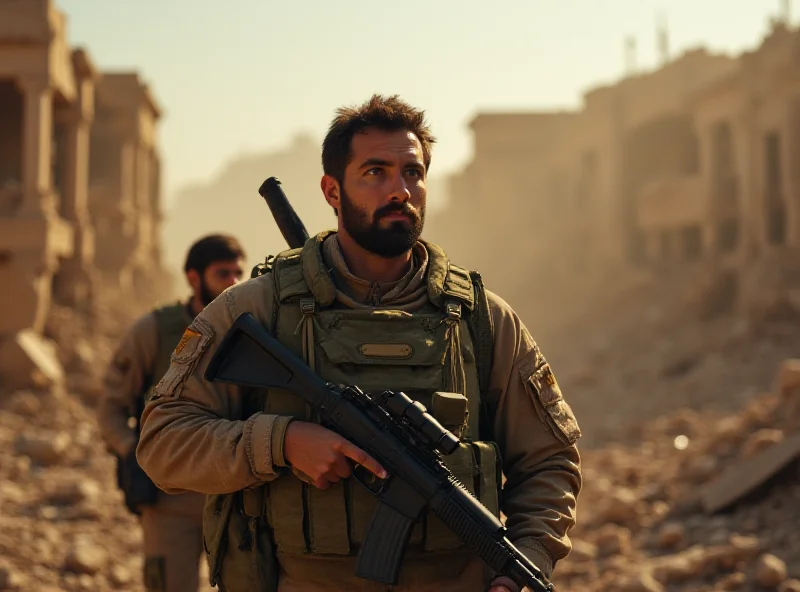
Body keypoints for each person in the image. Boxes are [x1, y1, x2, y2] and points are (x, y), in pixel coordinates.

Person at [136, 95, 582, 592]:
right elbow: (163, 443)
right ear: (332, 190)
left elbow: (549, 462)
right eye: (376, 172)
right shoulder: (257, 308)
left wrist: (525, 563)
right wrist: (281, 442)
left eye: (413, 173)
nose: (400, 191)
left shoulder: (481, 320)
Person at [97, 234, 246, 592]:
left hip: (237, 494)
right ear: (194, 278)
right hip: (170, 499)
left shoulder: (251, 333)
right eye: (222, 274)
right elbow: (110, 408)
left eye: (238, 273)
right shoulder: (153, 331)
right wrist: (131, 451)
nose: (234, 283)